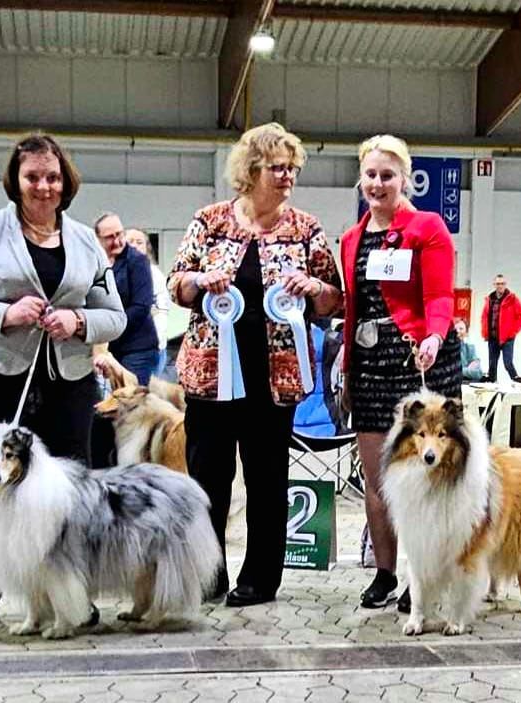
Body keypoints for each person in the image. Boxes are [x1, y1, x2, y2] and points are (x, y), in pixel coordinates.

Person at [0, 134, 126, 632]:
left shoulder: (85, 240)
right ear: (15, 181)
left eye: (53, 177)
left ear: (66, 181)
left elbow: (116, 316)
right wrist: (5, 314)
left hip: (68, 383)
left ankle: (73, 594)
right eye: (33, 177)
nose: (44, 186)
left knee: (69, 496)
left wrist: (79, 322)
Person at [168, 122, 342, 608]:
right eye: (278, 168)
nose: (288, 177)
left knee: (267, 482)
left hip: (275, 379)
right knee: (207, 479)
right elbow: (176, 283)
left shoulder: (306, 228)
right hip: (210, 376)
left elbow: (335, 299)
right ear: (251, 170)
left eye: (293, 169)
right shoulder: (210, 221)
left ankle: (261, 579)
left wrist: (315, 289)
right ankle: (207, 574)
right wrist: (201, 280)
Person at [340, 134, 461, 612]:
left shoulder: (427, 228)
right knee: (378, 480)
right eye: (370, 175)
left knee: (426, 480)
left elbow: (440, 296)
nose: (377, 183)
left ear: (404, 179)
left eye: (387, 175)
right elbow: (352, 306)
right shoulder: (351, 239)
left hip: (419, 362)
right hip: (370, 366)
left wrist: (434, 336)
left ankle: (422, 576)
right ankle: (385, 573)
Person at [93, 213, 159, 386]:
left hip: (138, 348)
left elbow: (141, 306)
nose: (117, 241)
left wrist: (110, 327)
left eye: (119, 234)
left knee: (132, 398)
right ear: (98, 239)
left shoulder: (137, 260)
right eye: (110, 237)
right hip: (108, 346)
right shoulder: (93, 261)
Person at [125, 228, 171, 377]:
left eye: (139, 242)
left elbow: (160, 313)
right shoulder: (113, 272)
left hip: (148, 350)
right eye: (130, 241)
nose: (134, 245)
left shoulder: (155, 276)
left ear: (147, 248)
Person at [481, 274, 521, 382]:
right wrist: (485, 332)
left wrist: (513, 331)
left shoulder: (513, 299)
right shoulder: (490, 299)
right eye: (498, 284)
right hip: (493, 336)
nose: (500, 286)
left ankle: (516, 378)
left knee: (508, 362)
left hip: (507, 337)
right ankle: (492, 381)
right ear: (494, 285)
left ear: (505, 284)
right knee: (492, 363)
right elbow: (484, 316)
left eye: (502, 283)